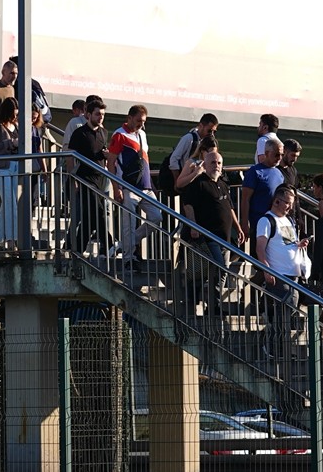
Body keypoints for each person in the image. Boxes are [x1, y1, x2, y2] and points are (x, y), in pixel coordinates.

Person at [175, 149, 244, 320]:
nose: (217, 166)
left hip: (225, 237)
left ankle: (212, 302)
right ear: (204, 165)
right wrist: (193, 225)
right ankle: (213, 305)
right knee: (218, 268)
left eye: (219, 163)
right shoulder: (199, 182)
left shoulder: (222, 184)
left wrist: (239, 227)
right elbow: (188, 205)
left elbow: (230, 208)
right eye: (213, 162)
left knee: (222, 270)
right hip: (208, 236)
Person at [253, 184, 308, 368]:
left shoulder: (289, 221)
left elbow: (286, 243)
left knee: (287, 313)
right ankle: (274, 347)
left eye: (291, 203)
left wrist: (299, 244)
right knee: (285, 309)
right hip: (278, 274)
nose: (289, 207)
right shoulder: (266, 220)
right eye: (287, 203)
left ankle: (278, 346)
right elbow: (260, 246)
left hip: (293, 274)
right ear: (277, 201)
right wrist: (266, 268)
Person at [107, 104, 162, 271]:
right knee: (128, 222)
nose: (141, 124)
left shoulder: (142, 135)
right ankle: (128, 258)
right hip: (128, 185)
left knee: (157, 218)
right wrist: (116, 188)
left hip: (145, 187)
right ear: (129, 118)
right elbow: (110, 162)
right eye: (139, 121)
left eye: (143, 121)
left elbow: (145, 159)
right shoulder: (119, 135)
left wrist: (151, 184)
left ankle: (127, 243)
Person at [67, 97, 111, 255]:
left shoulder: (103, 133)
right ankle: (109, 244)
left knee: (88, 217)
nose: (101, 117)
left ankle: (77, 249)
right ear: (89, 115)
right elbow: (70, 155)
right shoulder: (80, 133)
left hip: (100, 178)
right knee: (98, 212)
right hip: (85, 178)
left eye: (103, 115)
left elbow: (103, 153)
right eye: (98, 114)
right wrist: (73, 178)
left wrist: (106, 156)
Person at [0, 96, 23, 251]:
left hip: (15, 166)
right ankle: (12, 240)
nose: (15, 117)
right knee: (10, 203)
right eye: (13, 114)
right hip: (1, 167)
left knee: (9, 204)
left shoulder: (17, 126)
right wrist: (10, 143)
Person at [239, 137, 283, 244]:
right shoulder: (254, 172)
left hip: (275, 223)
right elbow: (245, 199)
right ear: (267, 153)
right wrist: (244, 223)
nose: (279, 158)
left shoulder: (279, 173)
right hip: (258, 224)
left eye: (281, 154)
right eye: (276, 154)